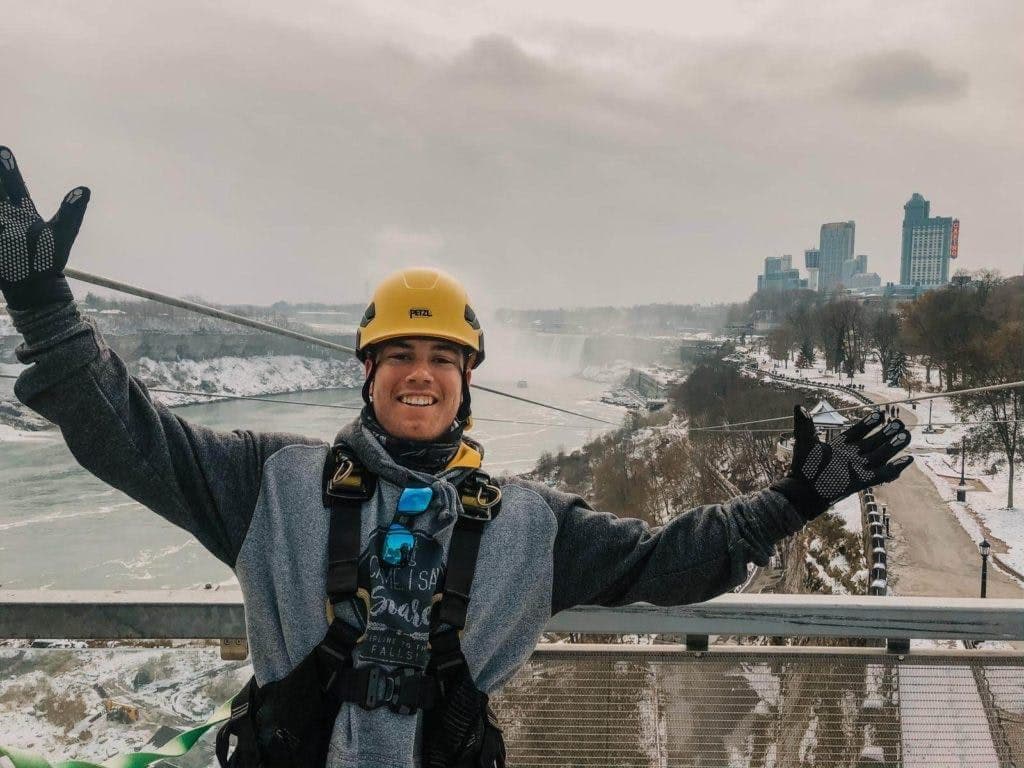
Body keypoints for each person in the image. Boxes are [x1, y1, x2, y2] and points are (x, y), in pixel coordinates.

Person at [0, 147, 914, 768]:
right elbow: (131, 440)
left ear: (467, 380)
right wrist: (45, 310)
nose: (420, 376)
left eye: (442, 359)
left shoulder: (528, 523)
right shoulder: (271, 485)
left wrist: (797, 498)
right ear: (367, 372)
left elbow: (666, 562)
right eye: (400, 355)